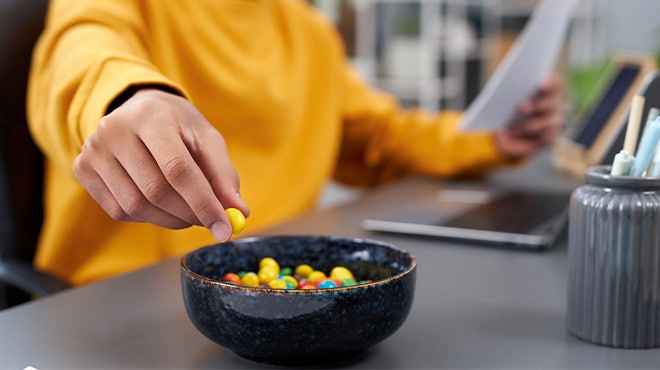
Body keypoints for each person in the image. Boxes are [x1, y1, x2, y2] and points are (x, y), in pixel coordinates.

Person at [27, 0, 563, 285]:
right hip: (125, 297)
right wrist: (131, 96)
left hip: (280, 290)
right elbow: (81, 55)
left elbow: (377, 139)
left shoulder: (307, 29)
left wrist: (493, 139)